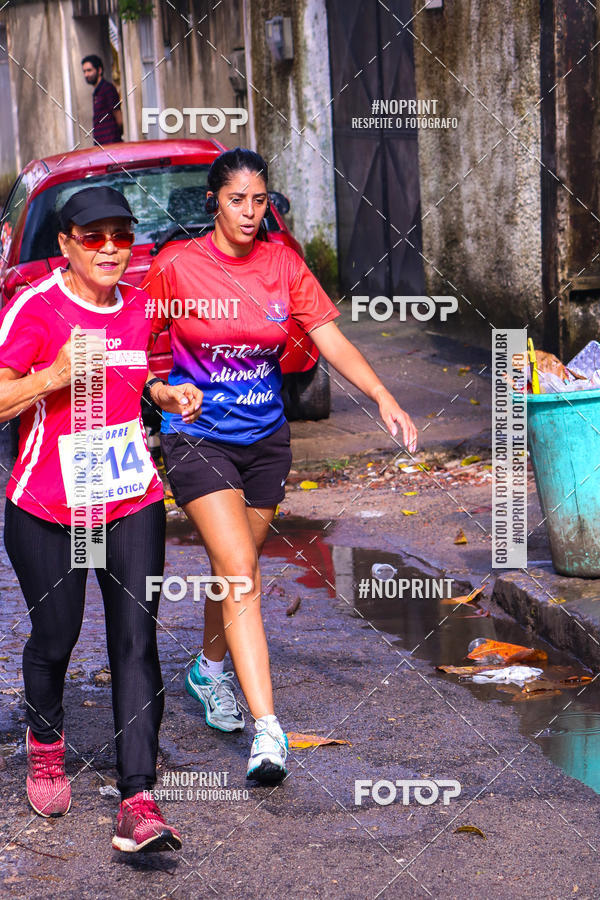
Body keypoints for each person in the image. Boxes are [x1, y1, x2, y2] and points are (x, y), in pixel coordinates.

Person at [143, 148, 418, 785]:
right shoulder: (177, 266)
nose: (249, 212)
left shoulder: (283, 266)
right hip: (197, 437)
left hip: (265, 442)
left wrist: (381, 395)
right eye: (236, 199)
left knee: (231, 563)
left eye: (259, 200)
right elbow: (141, 345)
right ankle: (269, 732)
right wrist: (159, 393)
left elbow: (328, 337)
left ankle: (208, 670)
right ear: (213, 201)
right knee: (240, 570)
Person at [0, 187, 202, 851]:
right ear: (66, 245)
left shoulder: (139, 308)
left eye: (122, 235)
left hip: (128, 496)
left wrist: (166, 392)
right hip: (48, 506)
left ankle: (138, 797)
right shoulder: (35, 308)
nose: (111, 248)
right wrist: (51, 376)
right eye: (95, 237)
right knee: (55, 641)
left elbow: (134, 374)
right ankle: (47, 738)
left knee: (135, 642)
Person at [82, 54, 123, 145]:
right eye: (84, 71)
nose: (86, 74)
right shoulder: (97, 92)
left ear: (99, 70)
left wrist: (115, 138)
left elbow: (118, 117)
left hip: (111, 146)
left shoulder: (107, 89)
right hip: (100, 146)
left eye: (89, 70)